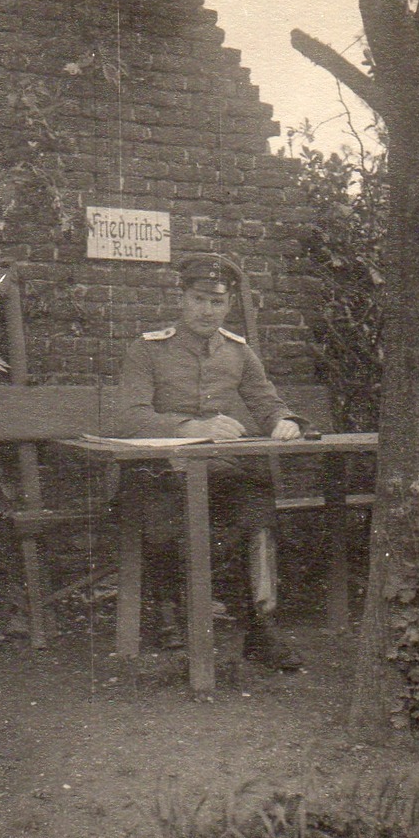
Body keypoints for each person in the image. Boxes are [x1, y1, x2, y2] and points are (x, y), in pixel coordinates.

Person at [116, 256, 305, 670]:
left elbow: (266, 401)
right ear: (182, 299)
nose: (207, 310)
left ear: (229, 304)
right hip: (160, 471)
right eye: (199, 299)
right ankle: (171, 625)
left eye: (216, 302)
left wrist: (284, 421)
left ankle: (262, 628)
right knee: (165, 518)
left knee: (259, 515)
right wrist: (191, 426)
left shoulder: (238, 352)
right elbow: (130, 417)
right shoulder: (147, 350)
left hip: (219, 473)